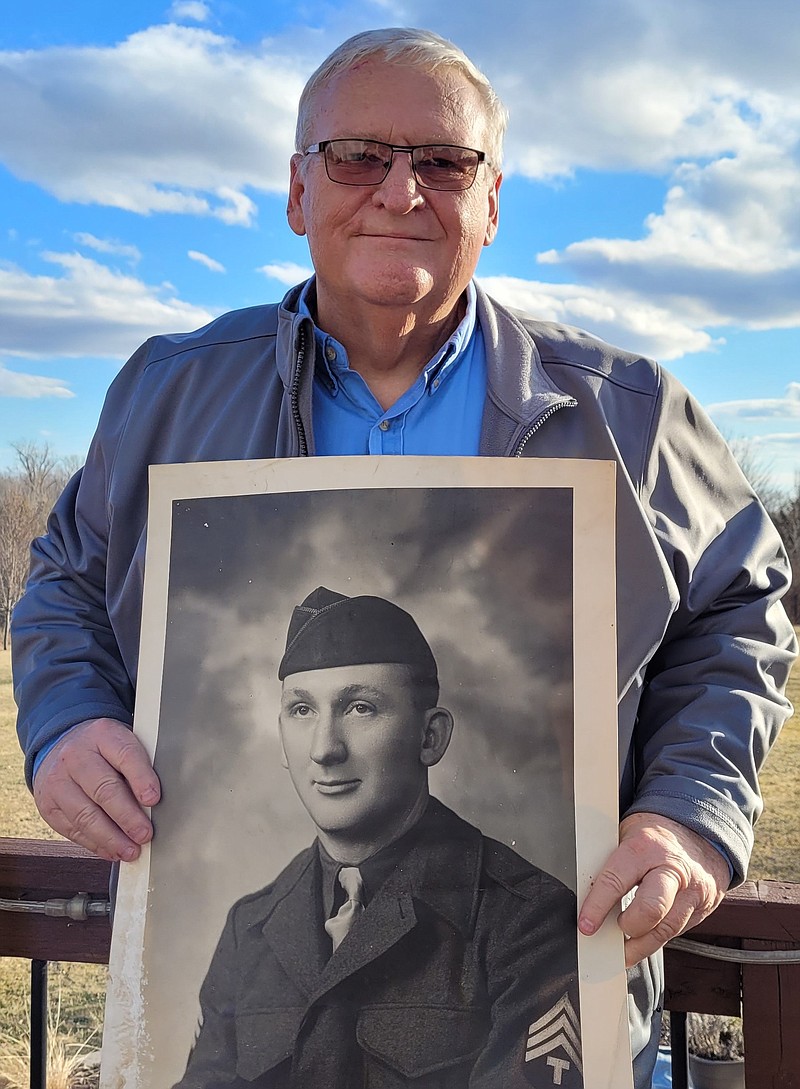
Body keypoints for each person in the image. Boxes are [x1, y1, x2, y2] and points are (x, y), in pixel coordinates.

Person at [11, 26, 796, 1087]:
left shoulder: (627, 416)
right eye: (356, 157)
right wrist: (67, 720)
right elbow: (62, 580)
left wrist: (691, 814)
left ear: (490, 202)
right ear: (296, 191)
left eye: (441, 161)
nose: (398, 191)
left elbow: (741, 606)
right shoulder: (168, 393)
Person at [174, 586, 582, 1089]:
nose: (324, 749)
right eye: (302, 710)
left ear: (430, 737)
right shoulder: (251, 926)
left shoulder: (528, 922)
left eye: (360, 708)